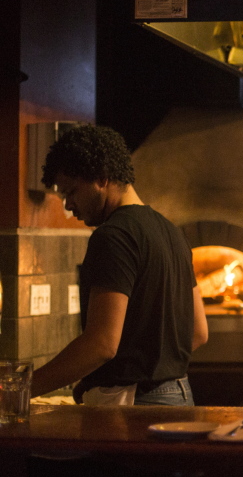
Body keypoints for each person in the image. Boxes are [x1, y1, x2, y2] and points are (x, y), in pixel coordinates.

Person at [31, 125, 208, 405]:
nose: (68, 204)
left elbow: (101, 344)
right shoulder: (172, 233)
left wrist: (21, 390)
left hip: (132, 402)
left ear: (102, 178)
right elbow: (198, 332)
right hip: (179, 394)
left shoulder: (112, 237)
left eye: (72, 192)